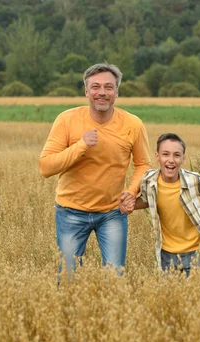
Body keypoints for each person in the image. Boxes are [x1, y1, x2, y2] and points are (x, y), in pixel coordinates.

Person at [39, 63, 151, 279]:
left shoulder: (133, 124)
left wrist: (131, 190)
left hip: (113, 213)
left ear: (117, 92)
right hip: (70, 211)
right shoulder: (67, 119)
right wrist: (81, 146)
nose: (102, 92)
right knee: (69, 279)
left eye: (109, 87)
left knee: (114, 279)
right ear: (86, 91)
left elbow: (144, 164)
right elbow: (45, 167)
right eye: (96, 87)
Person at [123, 133, 200, 276]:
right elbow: (147, 200)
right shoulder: (149, 181)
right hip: (167, 252)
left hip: (198, 251)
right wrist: (130, 205)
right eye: (165, 154)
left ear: (183, 158)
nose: (171, 160)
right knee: (171, 296)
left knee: (199, 294)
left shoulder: (195, 181)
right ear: (157, 156)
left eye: (177, 155)